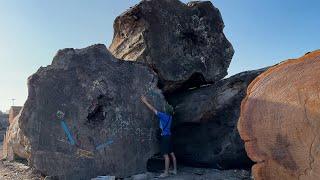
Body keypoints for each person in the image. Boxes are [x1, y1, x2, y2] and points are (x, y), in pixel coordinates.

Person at [141, 95, 177, 178]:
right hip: (169, 136)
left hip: (164, 137)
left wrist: (145, 101)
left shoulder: (163, 116)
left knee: (165, 155)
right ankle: (174, 170)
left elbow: (153, 110)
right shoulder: (170, 117)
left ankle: (166, 172)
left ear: (166, 110)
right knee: (172, 153)